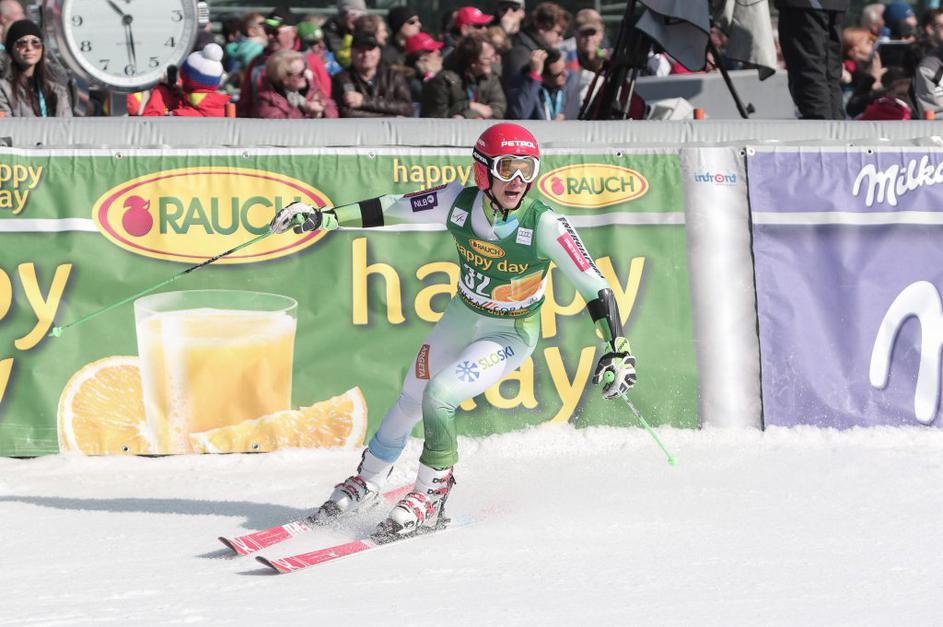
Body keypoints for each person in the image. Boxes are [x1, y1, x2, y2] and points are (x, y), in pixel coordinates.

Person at [268, 122, 637, 541]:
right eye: (507, 169)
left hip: (510, 334)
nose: (518, 181)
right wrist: (324, 217)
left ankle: (431, 496)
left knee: (440, 395)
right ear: (483, 171)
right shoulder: (455, 201)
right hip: (463, 315)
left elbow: (595, 285)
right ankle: (368, 480)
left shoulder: (546, 224)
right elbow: (390, 207)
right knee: (411, 395)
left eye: (527, 169)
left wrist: (618, 347)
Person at [775, 0, 849, 119]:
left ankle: (821, 128)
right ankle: (834, 130)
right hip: (834, 5)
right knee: (829, 74)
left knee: (811, 70)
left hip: (807, 6)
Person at [129, 43, 230, 117]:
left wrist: (161, 90)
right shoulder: (226, 109)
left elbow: (149, 124)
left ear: (185, 77)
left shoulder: (179, 115)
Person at [421, 32, 506, 119]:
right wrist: (468, 106)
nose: (493, 61)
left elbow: (498, 107)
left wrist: (475, 116)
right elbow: (436, 116)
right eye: (487, 58)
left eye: (493, 56)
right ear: (473, 61)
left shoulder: (491, 78)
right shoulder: (444, 81)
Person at [332, 31, 413, 117]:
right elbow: (348, 114)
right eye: (361, 50)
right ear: (351, 53)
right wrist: (391, 116)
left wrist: (364, 101)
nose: (366, 54)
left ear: (379, 52)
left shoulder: (393, 76)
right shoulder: (342, 78)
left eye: (370, 49)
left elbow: (406, 108)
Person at [0, 20, 71, 117]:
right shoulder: (3, 87)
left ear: (42, 47)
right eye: (22, 43)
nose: (29, 48)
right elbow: (5, 126)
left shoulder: (57, 86)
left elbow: (67, 123)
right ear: (10, 48)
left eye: (35, 42)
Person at [503, 2, 571, 93]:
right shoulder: (521, 52)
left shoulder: (532, 48)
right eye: (558, 33)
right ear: (542, 27)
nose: (561, 38)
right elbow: (517, 92)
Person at [254, 49, 337, 119]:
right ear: (284, 79)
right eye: (300, 73)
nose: (305, 75)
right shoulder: (267, 100)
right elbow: (279, 129)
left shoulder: (311, 85)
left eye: (305, 69)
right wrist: (308, 111)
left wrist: (321, 113)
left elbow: (332, 110)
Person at [507, 47, 580, 120]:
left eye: (565, 68)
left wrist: (565, 117)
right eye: (559, 74)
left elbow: (574, 109)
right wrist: (534, 77)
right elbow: (520, 115)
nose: (565, 74)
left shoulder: (570, 79)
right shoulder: (523, 84)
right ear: (544, 77)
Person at [403, 32, 444, 108]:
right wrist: (430, 76)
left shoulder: (440, 74)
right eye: (432, 50)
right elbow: (435, 101)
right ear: (422, 58)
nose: (438, 52)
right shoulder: (413, 83)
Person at [324, 0, 366, 70]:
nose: (357, 19)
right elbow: (341, 57)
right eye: (353, 14)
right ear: (342, 15)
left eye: (360, 15)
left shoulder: (364, 29)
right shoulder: (330, 30)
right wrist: (350, 33)